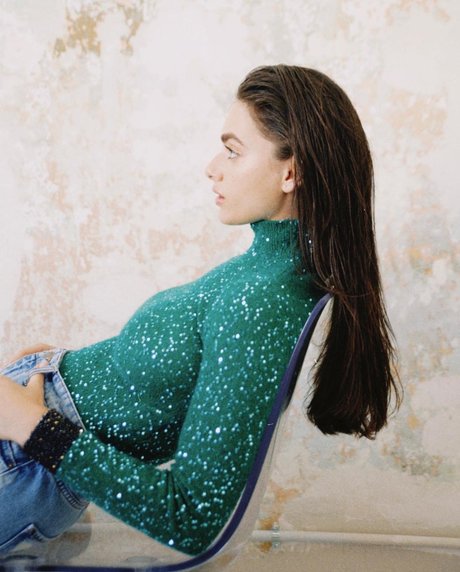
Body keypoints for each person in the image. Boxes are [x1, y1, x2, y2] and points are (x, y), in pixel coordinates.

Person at [0, 65, 400, 557]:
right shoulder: (265, 272)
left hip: (20, 458)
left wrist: (31, 423)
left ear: (290, 172)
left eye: (233, 151)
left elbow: (194, 517)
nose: (213, 167)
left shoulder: (261, 302)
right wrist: (64, 365)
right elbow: (164, 368)